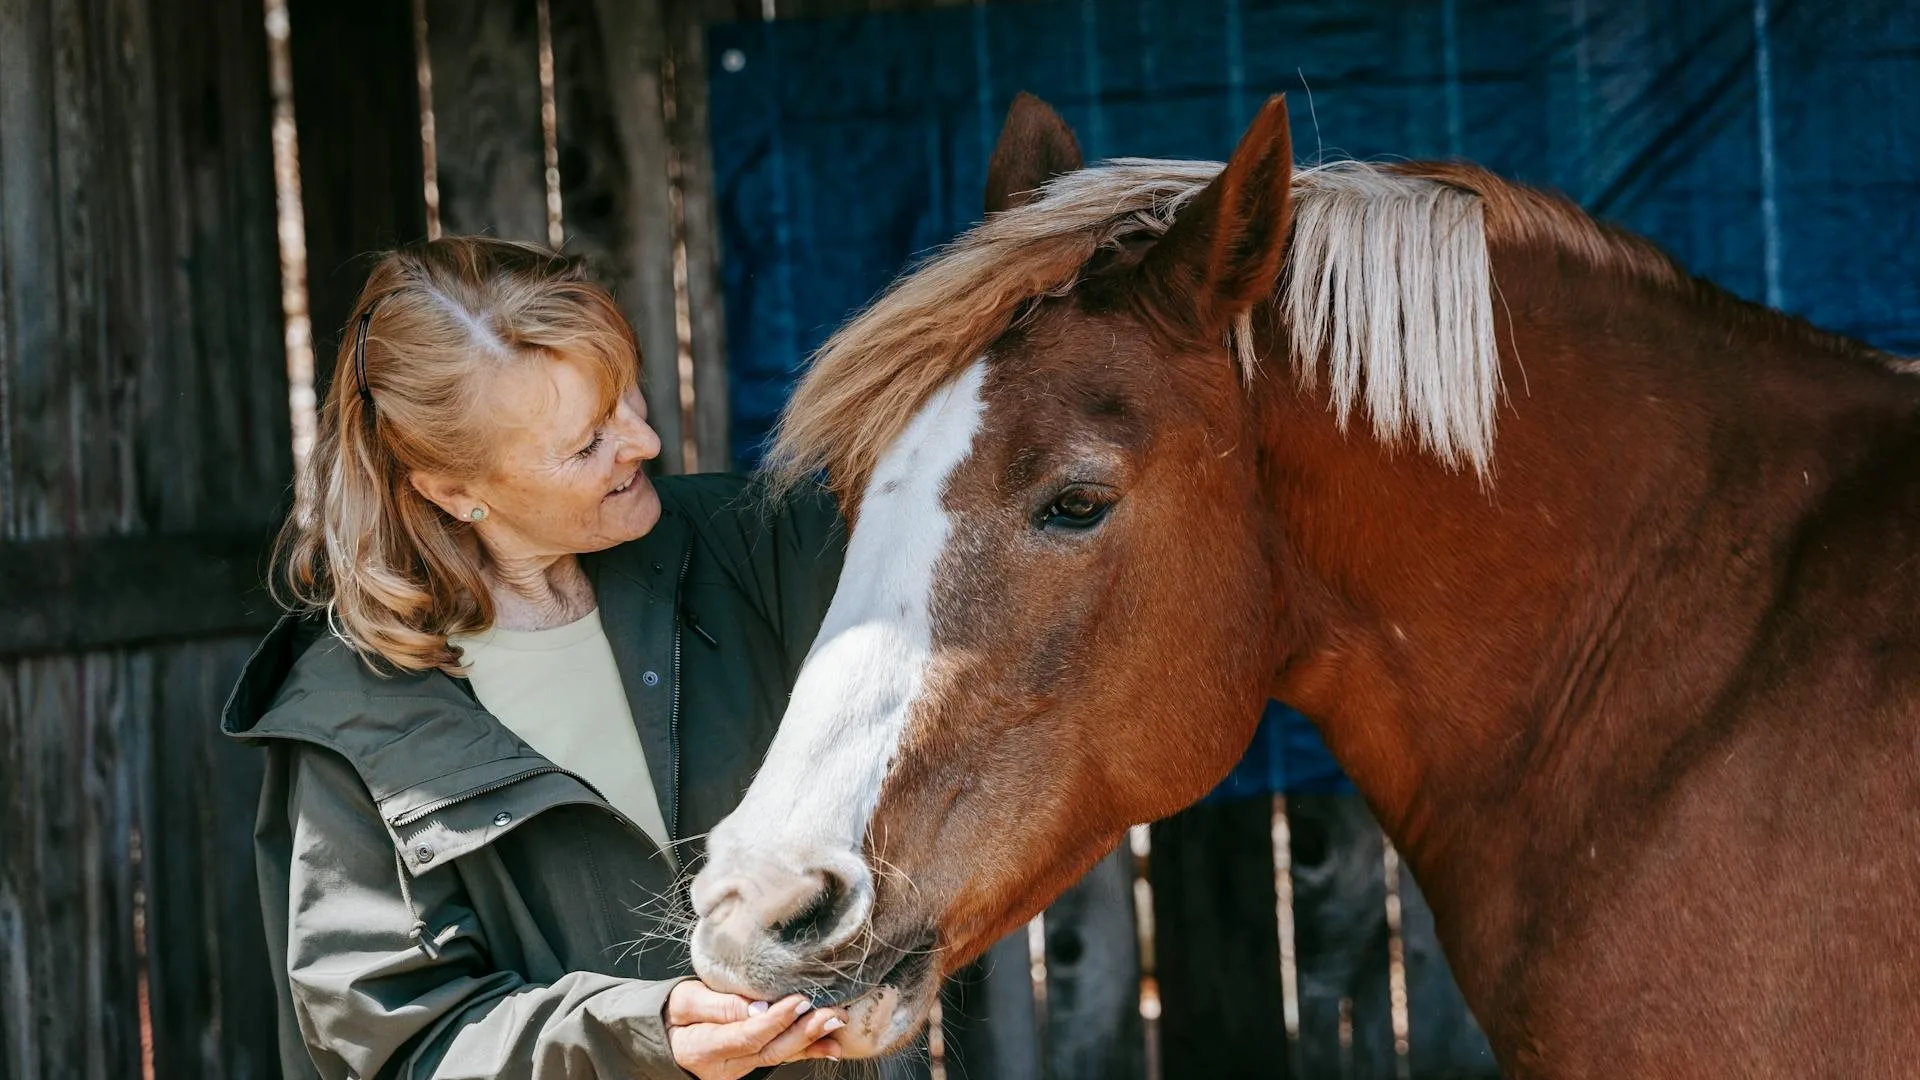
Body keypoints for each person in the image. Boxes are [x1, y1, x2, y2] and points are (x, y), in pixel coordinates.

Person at [221, 237, 848, 1079]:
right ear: (453, 490)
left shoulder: (759, 541)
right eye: (587, 443)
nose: (645, 441)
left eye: (627, 396)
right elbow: (403, 1044)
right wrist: (646, 1034)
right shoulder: (353, 721)